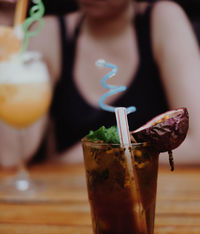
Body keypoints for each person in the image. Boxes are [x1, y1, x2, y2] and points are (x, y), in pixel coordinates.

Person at [0, 0, 200, 166]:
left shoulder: (162, 19)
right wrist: (7, 51)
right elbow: (10, 156)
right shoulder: (47, 32)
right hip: (71, 198)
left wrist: (95, 154)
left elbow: (197, 143)